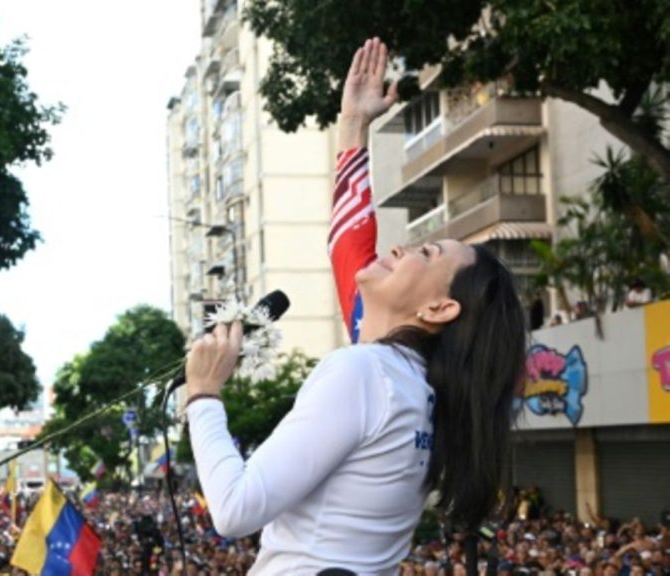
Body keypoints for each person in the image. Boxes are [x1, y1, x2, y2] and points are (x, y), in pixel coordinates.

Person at [184, 38, 527, 574]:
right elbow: (351, 247)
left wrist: (204, 397)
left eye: (424, 251)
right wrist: (352, 126)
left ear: (438, 310)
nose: (398, 248)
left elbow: (235, 509)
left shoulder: (365, 371)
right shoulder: (418, 387)